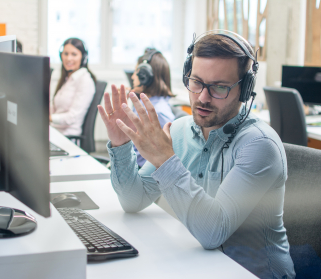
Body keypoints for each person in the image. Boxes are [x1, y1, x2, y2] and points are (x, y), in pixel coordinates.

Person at [98, 31, 295, 279]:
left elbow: (213, 232)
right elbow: (133, 200)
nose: (202, 97)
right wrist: (120, 144)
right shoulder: (180, 130)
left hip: (253, 272)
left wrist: (165, 160)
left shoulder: (259, 145)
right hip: (201, 266)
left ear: (244, 90)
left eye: (219, 87)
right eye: (196, 82)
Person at [130, 48, 175, 167]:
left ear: (146, 76)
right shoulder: (144, 103)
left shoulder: (158, 113)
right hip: (133, 165)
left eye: (136, 72)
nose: (132, 77)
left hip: (143, 173)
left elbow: (165, 160)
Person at [50, 38, 96, 136]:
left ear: (83, 57)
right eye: (65, 54)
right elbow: (56, 109)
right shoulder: (67, 79)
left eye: (74, 54)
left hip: (67, 136)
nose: (68, 58)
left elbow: (72, 117)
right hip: (54, 132)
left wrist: (49, 118)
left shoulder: (85, 81)